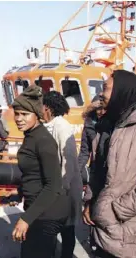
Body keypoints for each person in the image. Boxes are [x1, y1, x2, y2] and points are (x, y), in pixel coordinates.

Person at [83, 70, 136, 258]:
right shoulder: (106, 126)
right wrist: (90, 202)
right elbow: (96, 169)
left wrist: (114, 210)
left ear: (121, 91)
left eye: (105, 88)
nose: (100, 93)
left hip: (128, 233)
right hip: (102, 232)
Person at [10, 85, 69, 258]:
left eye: (25, 114)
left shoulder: (43, 140)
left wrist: (26, 219)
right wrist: (21, 191)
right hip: (38, 208)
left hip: (47, 214)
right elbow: (35, 174)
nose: (19, 118)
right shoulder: (31, 136)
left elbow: (53, 185)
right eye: (17, 113)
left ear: (36, 114)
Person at [42, 91, 83, 258]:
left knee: (66, 227)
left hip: (65, 186)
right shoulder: (51, 125)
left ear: (48, 108)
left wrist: (63, 187)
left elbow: (69, 158)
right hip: (57, 185)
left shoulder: (61, 126)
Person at [78, 96, 105, 177]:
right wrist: (76, 171)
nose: (102, 112)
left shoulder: (113, 124)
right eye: (99, 109)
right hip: (95, 168)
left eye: (104, 108)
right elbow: (84, 152)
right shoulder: (89, 126)